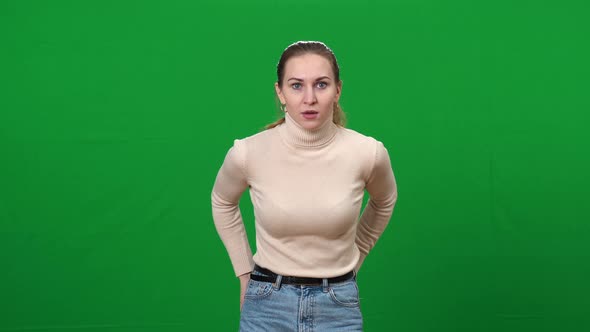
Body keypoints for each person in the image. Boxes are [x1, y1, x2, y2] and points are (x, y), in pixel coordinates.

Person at [211, 40, 398, 331]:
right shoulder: (249, 153)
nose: (309, 98)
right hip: (266, 304)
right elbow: (222, 201)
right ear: (280, 92)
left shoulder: (367, 153)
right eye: (297, 85)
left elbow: (385, 200)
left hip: (338, 305)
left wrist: (357, 251)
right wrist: (244, 272)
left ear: (338, 90)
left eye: (321, 85)